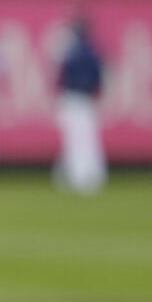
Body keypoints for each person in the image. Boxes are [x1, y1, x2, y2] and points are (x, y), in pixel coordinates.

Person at [53, 15, 107, 194]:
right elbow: (99, 78)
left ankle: (80, 176)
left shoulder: (70, 52)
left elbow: (59, 79)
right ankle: (84, 176)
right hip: (83, 100)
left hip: (73, 99)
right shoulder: (92, 51)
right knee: (85, 140)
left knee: (77, 140)